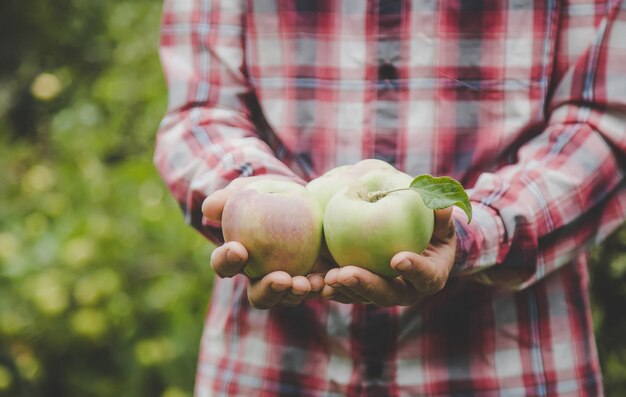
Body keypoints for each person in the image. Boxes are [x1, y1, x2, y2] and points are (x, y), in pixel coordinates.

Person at [155, 1, 626, 395]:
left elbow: (602, 119)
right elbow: (201, 110)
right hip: (274, 362)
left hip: (509, 362)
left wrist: (474, 228)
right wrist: (264, 207)